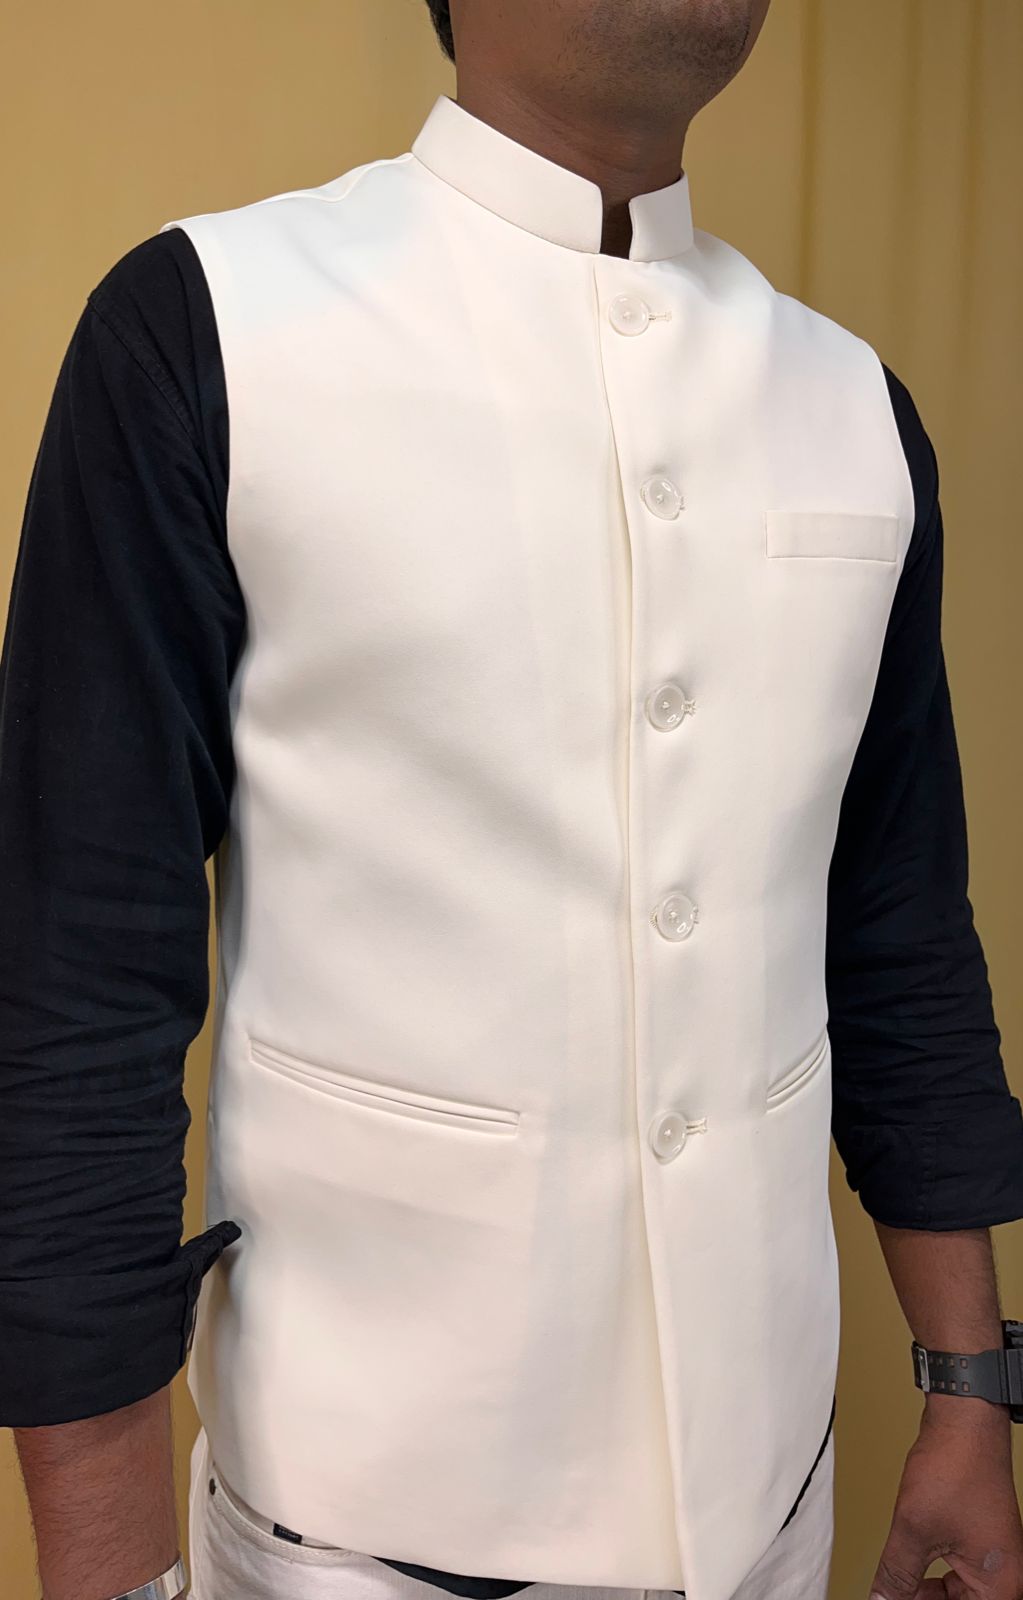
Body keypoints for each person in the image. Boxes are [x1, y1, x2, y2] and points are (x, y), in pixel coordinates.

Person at [3, 2, 1023, 1598]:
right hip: (352, 1547)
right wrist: (111, 1571)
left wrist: (970, 1389)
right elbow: (73, 987)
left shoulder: (854, 407)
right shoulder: (209, 330)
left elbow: (896, 933)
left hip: (773, 1515)